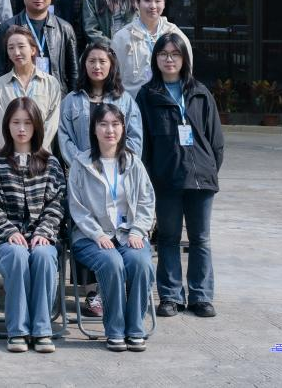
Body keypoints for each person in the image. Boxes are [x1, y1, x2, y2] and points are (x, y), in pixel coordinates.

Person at [136, 32, 223, 321]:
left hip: (201, 181)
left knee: (201, 239)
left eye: (175, 54)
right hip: (166, 181)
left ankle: (201, 296)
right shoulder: (147, 96)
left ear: (184, 58)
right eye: (163, 54)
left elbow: (216, 140)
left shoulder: (200, 92)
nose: (169, 59)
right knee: (168, 239)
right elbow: (143, 144)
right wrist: (150, 178)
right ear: (155, 59)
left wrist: (208, 169)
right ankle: (170, 296)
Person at [60, 39, 144, 317]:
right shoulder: (72, 100)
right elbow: (64, 136)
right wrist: (83, 163)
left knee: (116, 229)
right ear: (84, 64)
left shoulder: (125, 100)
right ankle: (92, 292)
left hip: (117, 175)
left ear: (112, 65)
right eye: (92, 61)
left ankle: (116, 289)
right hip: (82, 177)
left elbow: (135, 139)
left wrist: (117, 161)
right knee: (88, 226)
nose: (97, 66)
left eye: (103, 61)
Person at [0, 98, 67, 354]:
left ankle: (42, 330)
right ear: (6, 125)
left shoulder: (50, 163)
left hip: (43, 238)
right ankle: (17, 330)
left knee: (43, 255)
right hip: (3, 240)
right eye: (15, 122)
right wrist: (10, 231)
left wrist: (44, 232)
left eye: (27, 123)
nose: (21, 128)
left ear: (36, 125)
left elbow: (57, 204)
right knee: (18, 255)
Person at [68, 103, 157, 352]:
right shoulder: (81, 163)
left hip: (128, 234)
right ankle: (115, 330)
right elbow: (76, 207)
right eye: (103, 124)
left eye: (116, 124)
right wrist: (96, 234)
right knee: (112, 262)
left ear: (123, 128)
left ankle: (135, 328)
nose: (110, 130)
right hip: (89, 236)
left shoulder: (134, 162)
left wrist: (138, 230)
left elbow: (146, 201)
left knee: (141, 262)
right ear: (94, 129)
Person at [0, 0, 79, 92]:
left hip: (55, 94)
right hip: (18, 94)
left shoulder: (64, 28)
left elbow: (73, 71)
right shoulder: (7, 28)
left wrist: (71, 97)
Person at [112, 0, 194, 92]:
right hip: (133, 100)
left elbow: (187, 71)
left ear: (164, 4)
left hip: (168, 98)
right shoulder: (123, 36)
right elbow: (113, 75)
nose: (153, 6)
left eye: (158, 1)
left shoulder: (175, 34)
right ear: (137, 3)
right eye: (147, 1)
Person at [0, 25, 63, 151]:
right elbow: (0, 123)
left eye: (21, 46)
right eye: (11, 48)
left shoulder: (51, 83)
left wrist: (37, 151)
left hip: (41, 155)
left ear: (33, 50)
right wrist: (12, 154)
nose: (16, 52)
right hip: (9, 156)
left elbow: (51, 124)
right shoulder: (0, 85)